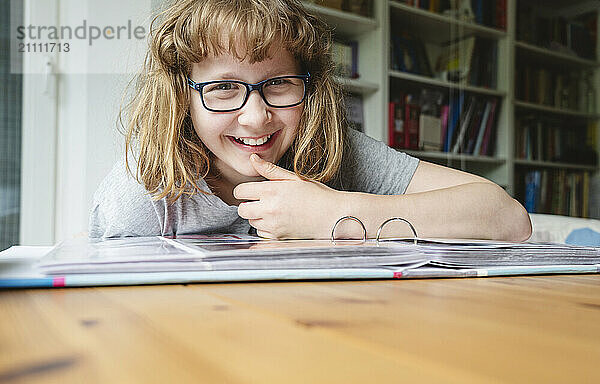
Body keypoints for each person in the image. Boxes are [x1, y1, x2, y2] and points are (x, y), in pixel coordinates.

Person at [89, 0, 531, 241]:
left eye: (278, 83)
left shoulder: (340, 152)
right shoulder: (147, 190)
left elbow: (507, 216)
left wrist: (335, 213)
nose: (256, 117)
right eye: (223, 88)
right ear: (180, 98)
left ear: (310, 88)